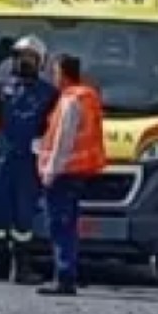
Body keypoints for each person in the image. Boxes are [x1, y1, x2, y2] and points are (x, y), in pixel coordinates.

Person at [0, 34, 59, 285]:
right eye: (21, 56)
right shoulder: (1, 86)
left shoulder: (49, 94)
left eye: (31, 57)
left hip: (28, 163)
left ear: (40, 62)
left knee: (23, 217)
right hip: (1, 161)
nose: (25, 62)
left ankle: (22, 267)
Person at [35, 54, 107, 297]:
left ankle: (64, 277)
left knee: (60, 225)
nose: (53, 77)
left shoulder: (69, 101)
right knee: (69, 223)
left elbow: (63, 140)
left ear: (63, 74)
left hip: (64, 172)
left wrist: (50, 171)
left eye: (55, 72)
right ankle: (68, 272)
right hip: (79, 171)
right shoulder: (88, 97)